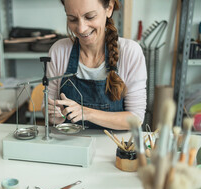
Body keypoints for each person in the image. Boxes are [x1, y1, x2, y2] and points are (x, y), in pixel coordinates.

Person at [46, 0, 147, 130]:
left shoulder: (130, 52)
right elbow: (48, 109)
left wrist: (87, 113)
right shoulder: (58, 51)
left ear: (109, 8)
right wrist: (55, 115)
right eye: (72, 19)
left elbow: (136, 118)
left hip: (114, 146)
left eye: (90, 17)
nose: (81, 28)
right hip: (71, 144)